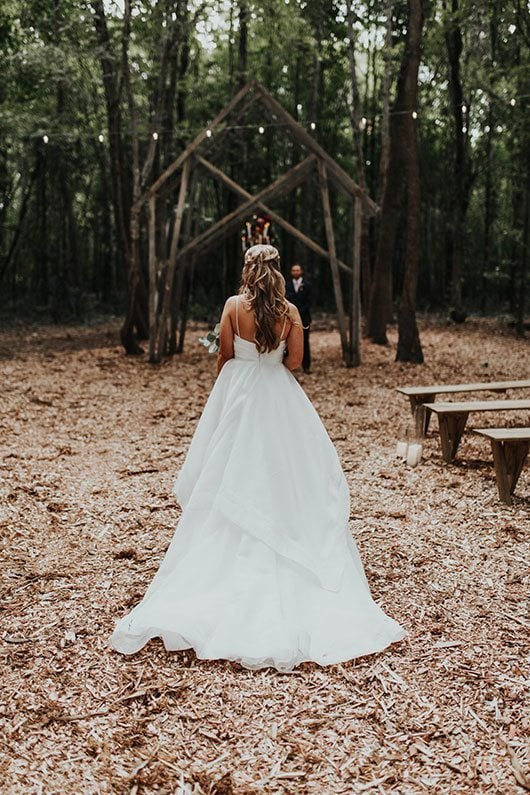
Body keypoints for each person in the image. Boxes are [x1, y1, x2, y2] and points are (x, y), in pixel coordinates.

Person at [109, 244, 405, 671]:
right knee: (284, 472)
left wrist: (230, 386)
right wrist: (274, 354)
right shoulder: (292, 312)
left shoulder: (232, 305)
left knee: (228, 469)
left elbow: (224, 354)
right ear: (279, 270)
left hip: (239, 392)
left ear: (248, 269)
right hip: (277, 393)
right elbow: (298, 363)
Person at [285, 262, 312, 373]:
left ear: (301, 271)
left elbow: (309, 301)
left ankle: (306, 366)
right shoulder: (287, 285)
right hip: (289, 318)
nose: (296, 272)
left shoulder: (307, 285)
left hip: (304, 317)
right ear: (291, 272)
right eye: (294, 270)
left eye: (297, 270)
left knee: (305, 341)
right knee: (288, 341)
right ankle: (290, 365)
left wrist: (298, 313)